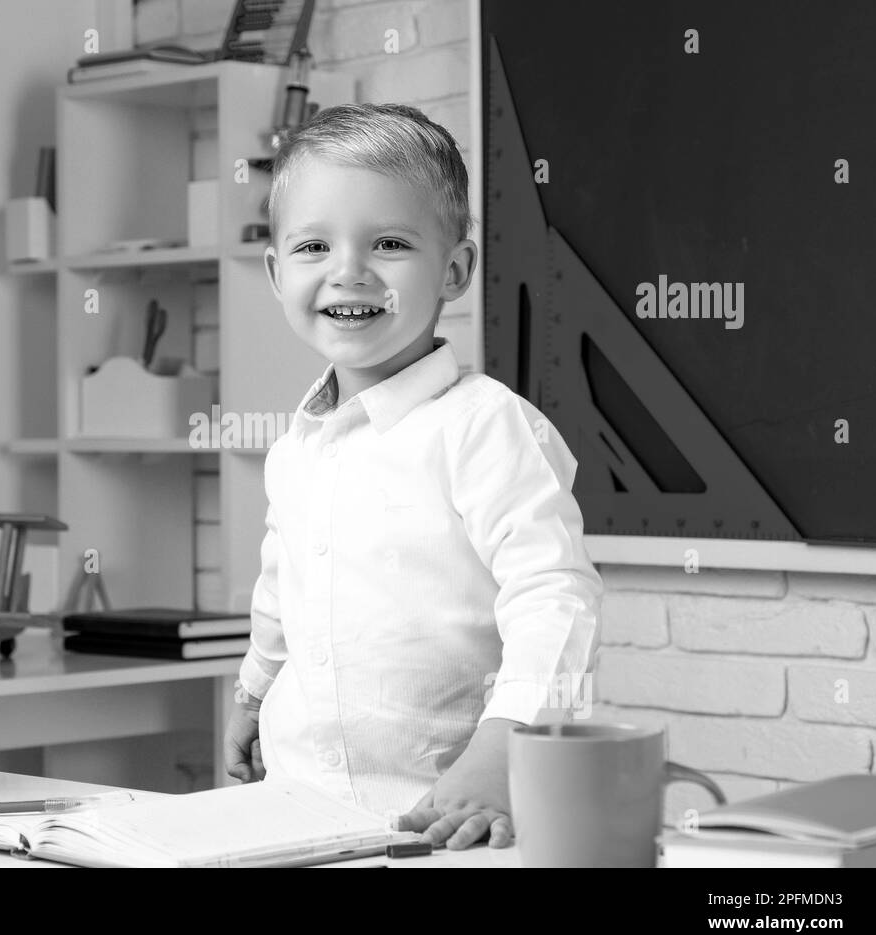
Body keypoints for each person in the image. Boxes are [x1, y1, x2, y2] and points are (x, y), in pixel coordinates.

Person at [223, 103, 603, 850]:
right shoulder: (293, 447)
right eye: (312, 246)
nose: (347, 271)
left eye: (389, 242)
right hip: (296, 813)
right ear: (276, 273)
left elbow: (555, 596)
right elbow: (281, 588)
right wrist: (252, 687)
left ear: (454, 269)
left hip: (450, 820)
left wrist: (504, 748)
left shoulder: (485, 427)